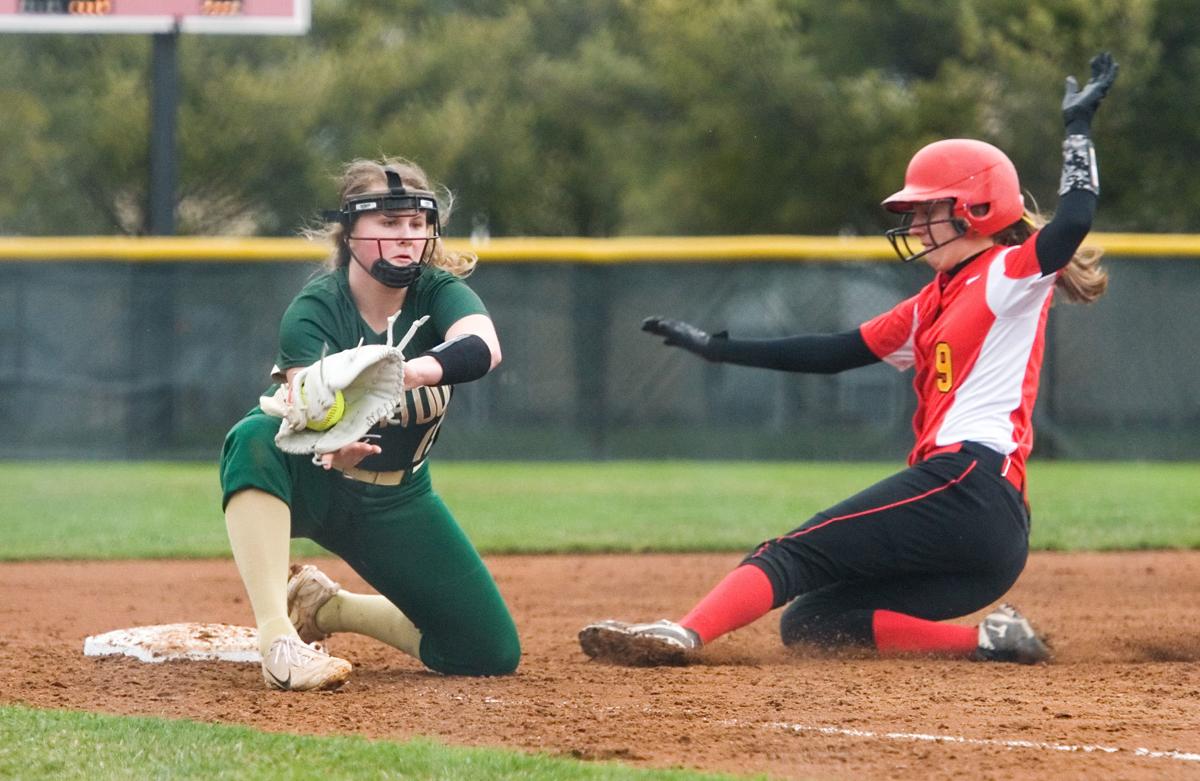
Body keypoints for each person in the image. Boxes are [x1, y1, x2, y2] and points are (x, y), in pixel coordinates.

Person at [579, 53, 1118, 667]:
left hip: (969, 486)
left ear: (974, 208)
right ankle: (993, 644)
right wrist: (719, 348)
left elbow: (1073, 218)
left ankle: (682, 634)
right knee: (815, 621)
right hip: (982, 529)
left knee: (791, 554)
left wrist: (1077, 129)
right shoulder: (929, 303)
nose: (914, 221)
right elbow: (834, 352)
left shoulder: (1005, 273)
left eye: (927, 208)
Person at [220, 157, 520, 691]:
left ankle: (326, 608)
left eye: (416, 224)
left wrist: (401, 373)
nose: (405, 237)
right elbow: (301, 393)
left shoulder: (437, 293)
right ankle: (278, 639)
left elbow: (484, 348)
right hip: (313, 478)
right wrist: (329, 435)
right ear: (350, 231)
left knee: (486, 650)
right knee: (252, 437)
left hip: (396, 499)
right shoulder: (317, 306)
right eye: (388, 223)